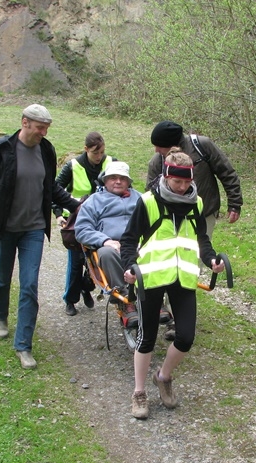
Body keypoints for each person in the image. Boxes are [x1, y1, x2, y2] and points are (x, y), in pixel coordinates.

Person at [0, 104, 80, 370]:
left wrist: (77, 205)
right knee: (2, 277)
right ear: (25, 123)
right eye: (40, 128)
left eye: (46, 128)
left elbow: (49, 187)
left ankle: (23, 346)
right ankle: (1, 318)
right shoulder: (0, 148)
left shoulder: (46, 150)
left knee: (29, 285)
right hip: (5, 227)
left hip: (33, 228)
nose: (43, 132)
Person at [122, 148, 225, 419]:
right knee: (146, 338)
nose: (181, 187)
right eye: (176, 182)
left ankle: (164, 377)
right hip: (151, 277)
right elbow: (129, 240)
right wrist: (129, 266)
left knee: (186, 337)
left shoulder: (197, 203)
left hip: (183, 278)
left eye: (186, 182)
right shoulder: (148, 202)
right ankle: (139, 392)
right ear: (166, 176)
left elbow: (202, 239)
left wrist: (212, 259)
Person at [146, 120, 243, 338]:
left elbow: (226, 172)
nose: (156, 150)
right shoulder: (157, 161)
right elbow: (149, 192)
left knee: (190, 265)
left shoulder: (203, 146)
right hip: (166, 221)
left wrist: (235, 202)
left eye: (159, 145)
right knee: (165, 263)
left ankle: (179, 316)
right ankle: (165, 311)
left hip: (202, 214)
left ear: (172, 144)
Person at [53, 132, 117, 316]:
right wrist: (58, 214)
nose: (99, 157)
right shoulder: (72, 167)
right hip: (76, 222)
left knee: (97, 263)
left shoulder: (111, 163)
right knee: (75, 263)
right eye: (95, 153)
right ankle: (70, 300)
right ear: (86, 149)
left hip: (103, 221)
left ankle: (86, 287)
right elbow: (54, 190)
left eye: (102, 152)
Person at [74, 161, 141, 327]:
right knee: (106, 252)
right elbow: (82, 229)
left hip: (139, 244)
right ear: (105, 180)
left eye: (122, 178)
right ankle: (124, 299)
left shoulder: (140, 198)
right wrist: (105, 240)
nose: (118, 181)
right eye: (113, 178)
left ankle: (156, 297)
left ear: (128, 181)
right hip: (111, 245)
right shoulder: (94, 201)